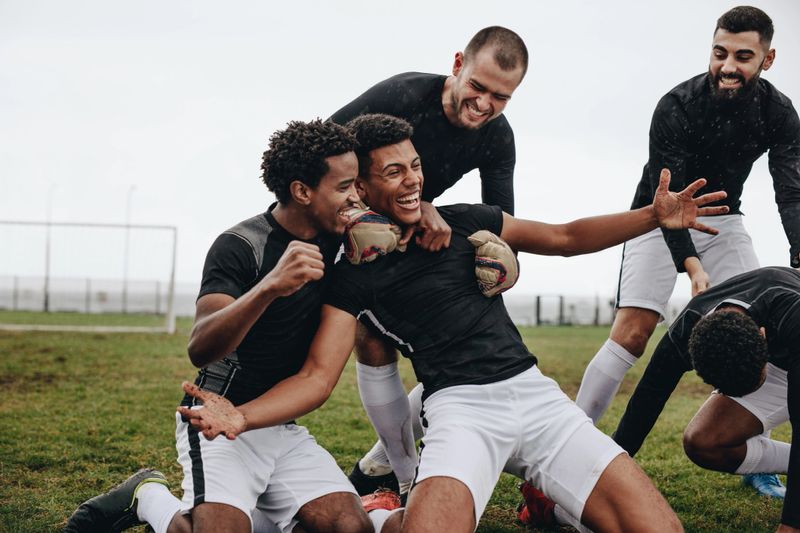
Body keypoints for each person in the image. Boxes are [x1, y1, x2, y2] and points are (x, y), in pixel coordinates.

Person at [178, 113, 731, 532]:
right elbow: (318, 379)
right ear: (362, 190)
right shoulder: (348, 276)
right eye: (392, 172)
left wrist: (653, 218)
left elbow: (565, 238)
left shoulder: (465, 221)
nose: (412, 180)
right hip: (460, 411)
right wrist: (241, 417)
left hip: (536, 397)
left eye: (415, 165)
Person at [64, 119, 386, 533]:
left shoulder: (347, 244)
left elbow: (319, 378)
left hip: (275, 424)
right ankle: (149, 497)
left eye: (358, 184)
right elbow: (201, 346)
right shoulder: (241, 245)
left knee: (350, 528)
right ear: (302, 191)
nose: (356, 196)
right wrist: (269, 287)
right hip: (216, 419)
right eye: (345, 186)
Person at [574, 4, 800, 497]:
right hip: (657, 218)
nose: (728, 65)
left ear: (768, 58)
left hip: (724, 220)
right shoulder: (676, 105)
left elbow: (790, 190)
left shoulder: (779, 112)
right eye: (720, 52)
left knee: (747, 334)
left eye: (744, 56)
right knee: (633, 333)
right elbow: (670, 202)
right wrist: (693, 269)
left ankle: (753, 453)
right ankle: (570, 442)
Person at [330, 24, 528, 498]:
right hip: (348, 223)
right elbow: (320, 153)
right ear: (458, 65)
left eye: (500, 96)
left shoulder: (498, 137)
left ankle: (382, 461)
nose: (484, 104)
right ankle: (403, 475)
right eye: (477, 87)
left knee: (455, 338)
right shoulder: (403, 94)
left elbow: (502, 218)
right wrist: (403, 209)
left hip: (411, 227)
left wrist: (501, 258)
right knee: (372, 338)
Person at [610, 266, 799, 532]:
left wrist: (791, 524)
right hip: (779, 351)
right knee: (704, 442)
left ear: (762, 336)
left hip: (794, 336)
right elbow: (643, 406)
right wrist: (599, 477)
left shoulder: (791, 311)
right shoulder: (685, 333)